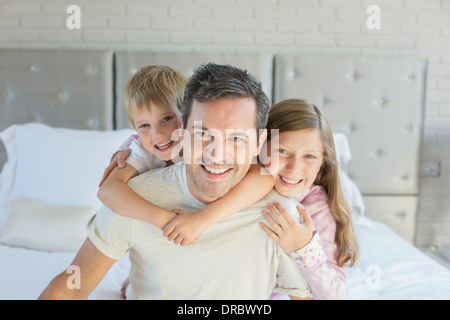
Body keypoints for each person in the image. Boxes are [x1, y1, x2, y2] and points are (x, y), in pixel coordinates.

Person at [38, 63, 312, 300]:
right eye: (203, 133)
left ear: (259, 144)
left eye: (237, 138)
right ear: (182, 130)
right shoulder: (133, 200)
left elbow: (302, 294)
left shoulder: (281, 217)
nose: (216, 155)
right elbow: (71, 288)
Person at [97, 64, 274, 246]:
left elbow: (265, 178)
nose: (157, 134)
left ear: (185, 117)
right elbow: (108, 190)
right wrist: (166, 221)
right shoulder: (140, 151)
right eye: (144, 126)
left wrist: (202, 219)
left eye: (166, 119)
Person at [259, 99, 359, 300]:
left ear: (322, 163)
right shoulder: (239, 185)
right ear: (260, 147)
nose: (293, 167)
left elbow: (336, 295)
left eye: (309, 157)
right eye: (283, 151)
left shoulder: (317, 209)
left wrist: (303, 247)